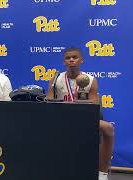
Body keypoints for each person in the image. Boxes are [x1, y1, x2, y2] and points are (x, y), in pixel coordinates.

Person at [46, 48, 114, 180]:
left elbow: (95, 102)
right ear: (64, 62)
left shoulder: (90, 79)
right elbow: (49, 100)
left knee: (108, 128)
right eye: (68, 58)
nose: (71, 60)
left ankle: (102, 173)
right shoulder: (55, 79)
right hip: (61, 120)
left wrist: (77, 101)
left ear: (81, 60)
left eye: (75, 57)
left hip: (84, 119)